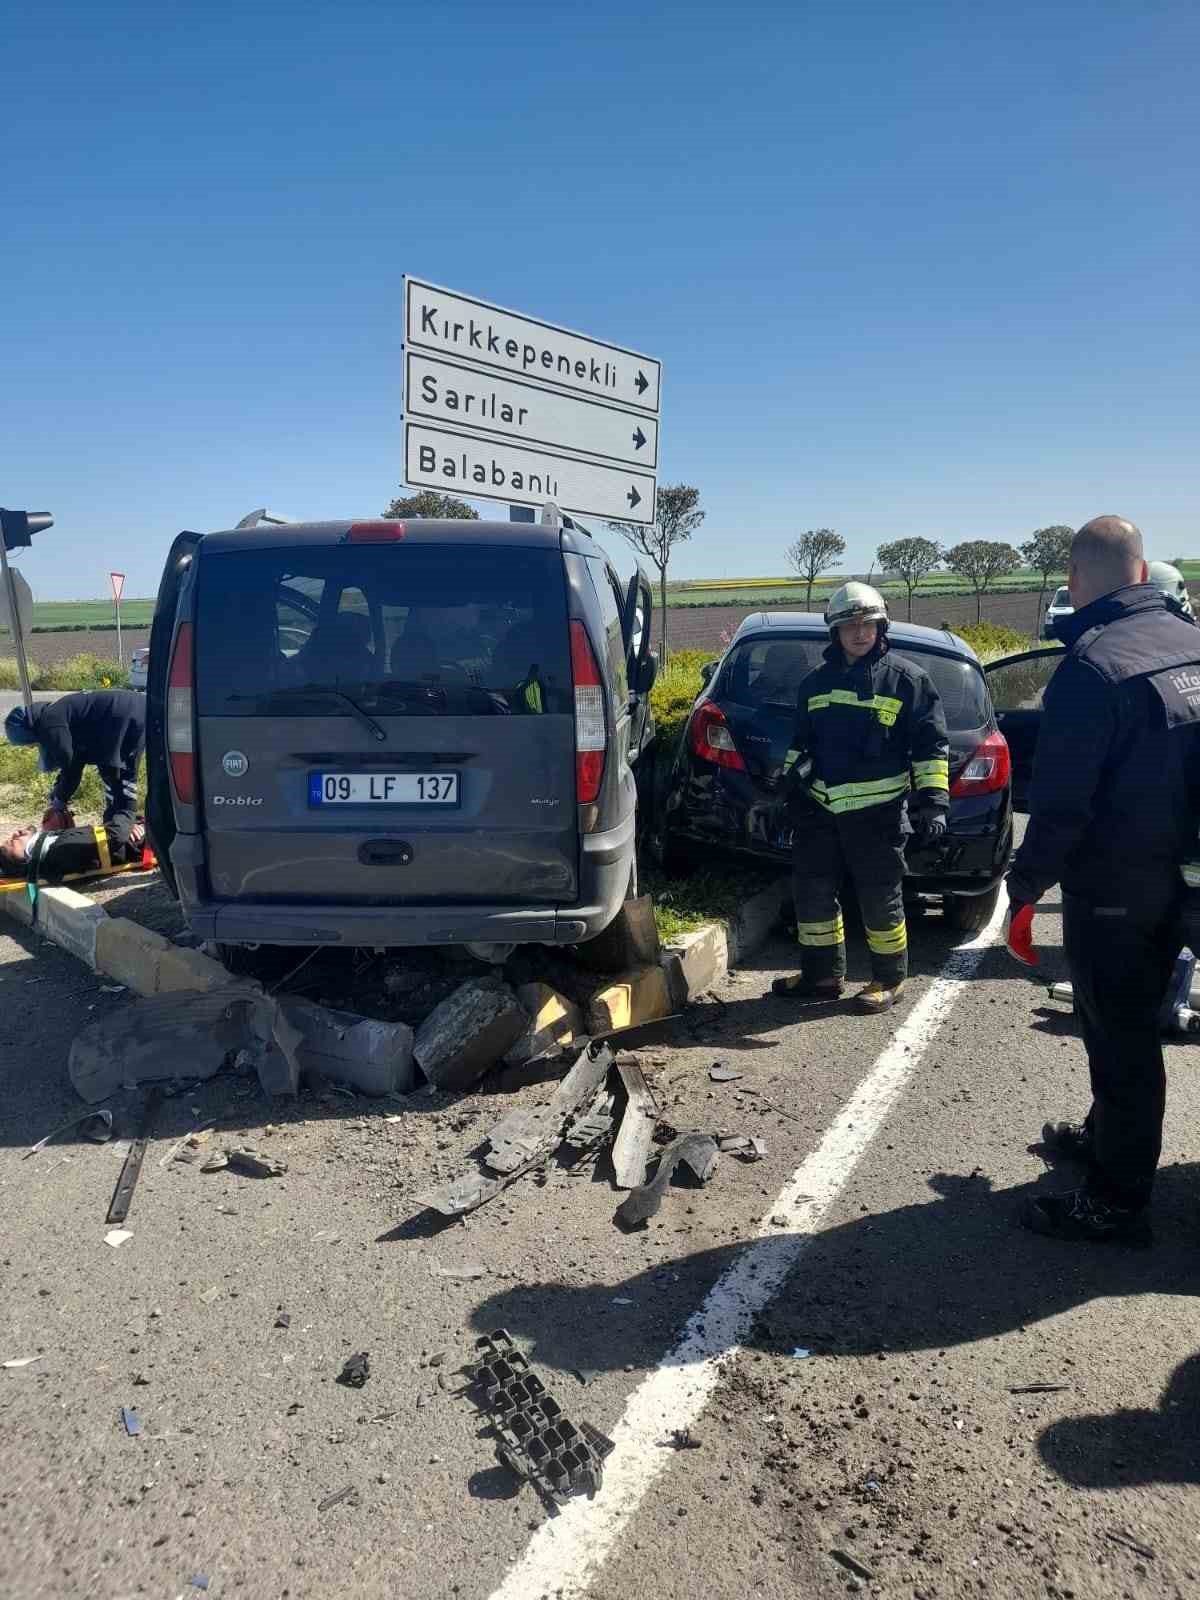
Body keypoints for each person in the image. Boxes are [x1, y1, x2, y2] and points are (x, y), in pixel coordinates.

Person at [1008, 516, 1200, 1244]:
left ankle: (1116, 1203)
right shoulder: (1194, 645)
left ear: (1074, 583)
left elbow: (1060, 810)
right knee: (1138, 1022)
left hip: (1119, 893)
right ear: (1145, 574)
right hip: (1188, 885)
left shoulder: (1091, 667)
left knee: (1119, 1038)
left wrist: (1023, 891)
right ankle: (1107, 1139)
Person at [771, 582, 950, 1013]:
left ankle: (889, 980)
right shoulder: (814, 684)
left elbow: (930, 746)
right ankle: (821, 976)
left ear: (880, 626)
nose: (859, 633)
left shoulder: (908, 681)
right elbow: (800, 744)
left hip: (878, 815)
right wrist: (787, 792)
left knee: (878, 897)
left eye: (867, 624)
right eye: (849, 625)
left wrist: (934, 803)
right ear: (834, 631)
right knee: (812, 894)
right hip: (819, 811)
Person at [3, 689, 145, 829]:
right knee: (112, 779)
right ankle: (117, 827)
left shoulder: (49, 722)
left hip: (124, 716)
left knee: (121, 780)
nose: (31, 748)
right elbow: (75, 757)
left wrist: (59, 800)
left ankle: (124, 830)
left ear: (28, 734)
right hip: (120, 716)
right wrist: (59, 794)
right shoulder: (54, 714)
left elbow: (71, 766)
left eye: (29, 744)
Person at [0, 809, 146, 885]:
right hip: (145, 840)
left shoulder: (54, 844)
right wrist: (128, 811)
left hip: (133, 834)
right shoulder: (60, 849)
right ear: (24, 859)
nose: (15, 833)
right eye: (13, 842)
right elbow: (116, 836)